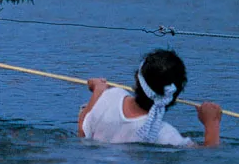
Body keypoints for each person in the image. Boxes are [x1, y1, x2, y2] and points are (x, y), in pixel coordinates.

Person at [79, 48, 221, 147]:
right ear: (174, 96)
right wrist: (212, 123)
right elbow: (208, 155)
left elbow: (83, 131)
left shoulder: (111, 95)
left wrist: (98, 91)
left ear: (137, 78)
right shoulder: (165, 134)